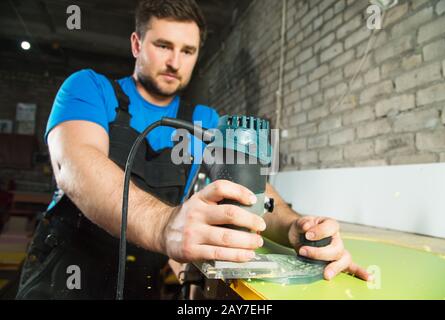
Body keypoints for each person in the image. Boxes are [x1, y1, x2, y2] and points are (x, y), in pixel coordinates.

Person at [16, 0, 370, 300]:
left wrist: (296, 229)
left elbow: (248, 187)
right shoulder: (90, 88)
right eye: (163, 46)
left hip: (143, 280)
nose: (175, 62)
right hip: (64, 273)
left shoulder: (203, 120)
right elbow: (75, 166)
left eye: (188, 51)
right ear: (137, 44)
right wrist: (163, 224)